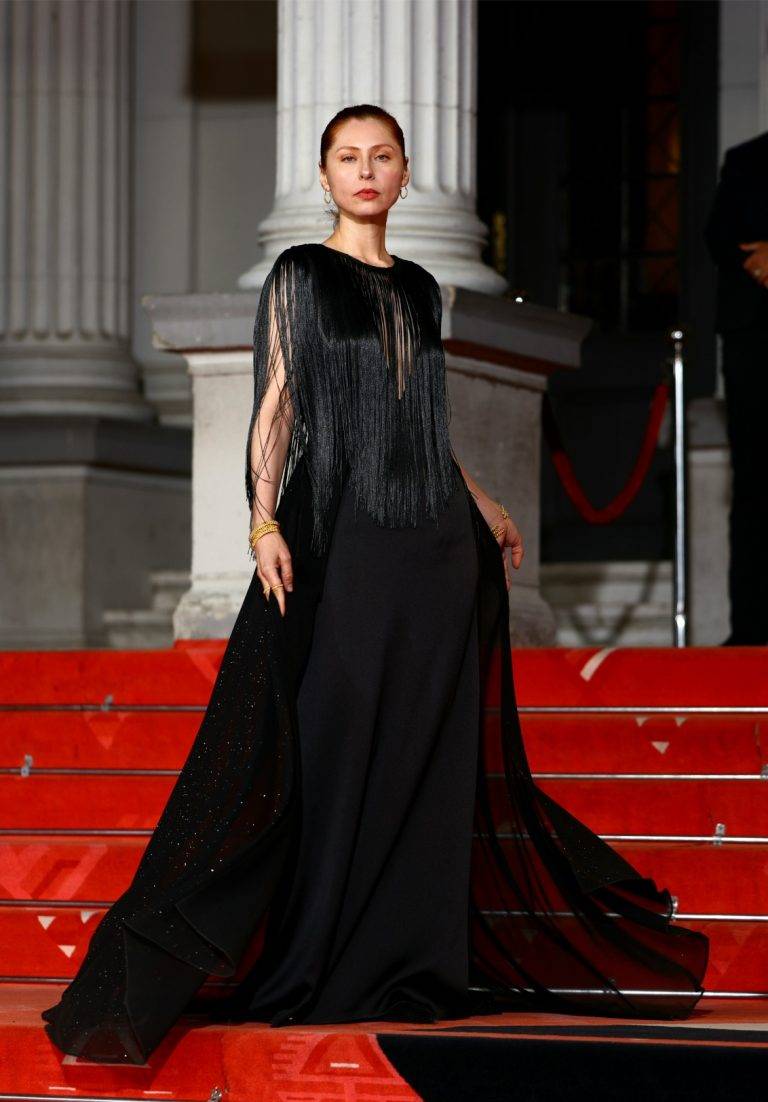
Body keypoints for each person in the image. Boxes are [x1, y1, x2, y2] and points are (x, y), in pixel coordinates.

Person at [41, 105, 708, 1066]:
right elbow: (278, 407)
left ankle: (407, 961)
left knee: (422, 753)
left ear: (402, 174)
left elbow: (418, 420)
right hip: (343, 533)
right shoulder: (300, 275)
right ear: (324, 178)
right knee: (331, 736)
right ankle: (318, 952)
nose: (365, 171)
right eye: (348, 158)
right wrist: (262, 521)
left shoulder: (421, 287)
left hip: (432, 541)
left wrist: (482, 500)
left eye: (381, 156)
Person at [704, 131, 768, 644]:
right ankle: (749, 629)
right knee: (754, 487)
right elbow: (721, 236)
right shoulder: (747, 158)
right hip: (755, 347)